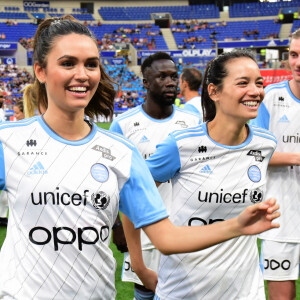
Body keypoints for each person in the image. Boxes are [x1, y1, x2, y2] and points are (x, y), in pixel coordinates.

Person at [0, 16, 280, 300]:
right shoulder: (8, 141)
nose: (83, 74)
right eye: (68, 63)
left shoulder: (121, 152)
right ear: (40, 71)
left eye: (91, 64)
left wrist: (237, 225)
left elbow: (166, 238)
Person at [124, 50, 279, 300]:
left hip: (246, 290)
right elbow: (131, 196)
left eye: (259, 83)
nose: (256, 91)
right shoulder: (181, 144)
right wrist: (139, 266)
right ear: (214, 91)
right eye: (243, 82)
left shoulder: (266, 144)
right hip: (184, 290)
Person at [110, 51, 201, 300]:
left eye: (173, 76)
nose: (170, 82)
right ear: (146, 83)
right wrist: (117, 224)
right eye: (161, 77)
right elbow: (116, 182)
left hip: (184, 230)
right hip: (141, 230)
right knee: (144, 293)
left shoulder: (193, 121)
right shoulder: (124, 124)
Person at [251, 29, 300, 300]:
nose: (297, 63)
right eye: (293, 55)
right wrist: (296, 157)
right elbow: (254, 153)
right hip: (280, 217)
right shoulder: (270, 97)